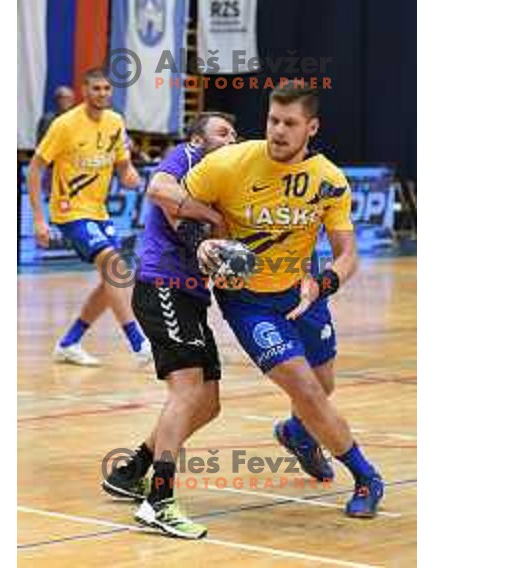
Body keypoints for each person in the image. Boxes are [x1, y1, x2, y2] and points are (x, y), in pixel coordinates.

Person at [187, 83, 384, 518]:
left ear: (310, 127)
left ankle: (297, 433)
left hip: (304, 295)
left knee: (323, 386)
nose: (278, 130)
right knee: (308, 390)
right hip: (247, 302)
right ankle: (367, 477)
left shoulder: (328, 179)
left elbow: (348, 254)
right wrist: (198, 242)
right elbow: (173, 201)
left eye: (290, 123)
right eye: (273, 120)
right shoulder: (228, 163)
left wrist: (323, 284)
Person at [101, 112, 237, 538]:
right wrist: (211, 220)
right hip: (162, 285)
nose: (231, 137)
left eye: (234, 132)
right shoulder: (186, 156)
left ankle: (131, 470)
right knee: (186, 391)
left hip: (192, 296)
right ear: (198, 138)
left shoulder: (227, 181)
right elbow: (158, 188)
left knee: (208, 403)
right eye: (221, 131)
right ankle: (159, 501)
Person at [27, 67, 150, 366]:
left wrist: (130, 174)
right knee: (114, 266)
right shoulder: (64, 125)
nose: (102, 94)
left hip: (99, 211)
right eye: (96, 89)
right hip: (69, 211)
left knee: (114, 279)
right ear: (85, 91)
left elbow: (123, 166)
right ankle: (139, 343)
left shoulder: (116, 122)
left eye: (107, 89)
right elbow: (35, 168)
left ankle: (69, 343)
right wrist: (39, 219)